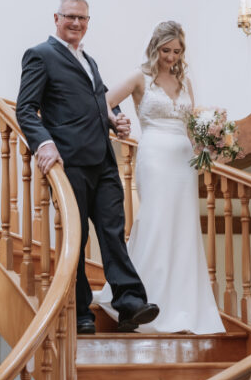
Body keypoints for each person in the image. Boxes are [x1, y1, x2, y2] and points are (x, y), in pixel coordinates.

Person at [16, 0, 158, 335]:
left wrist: (118, 119)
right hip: (70, 164)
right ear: (56, 18)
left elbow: (104, 99)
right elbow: (25, 108)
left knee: (113, 234)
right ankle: (81, 311)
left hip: (104, 162)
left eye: (82, 18)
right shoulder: (41, 55)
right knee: (76, 240)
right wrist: (44, 144)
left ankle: (130, 304)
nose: (76, 23)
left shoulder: (89, 61)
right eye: (70, 17)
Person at [93, 21, 224, 334]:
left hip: (183, 160)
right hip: (153, 155)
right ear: (156, 47)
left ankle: (182, 305)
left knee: (183, 226)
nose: (171, 57)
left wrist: (210, 140)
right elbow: (104, 102)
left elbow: (192, 127)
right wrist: (118, 121)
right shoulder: (141, 77)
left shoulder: (185, 82)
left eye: (177, 51)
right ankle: (136, 296)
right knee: (154, 220)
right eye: (166, 50)